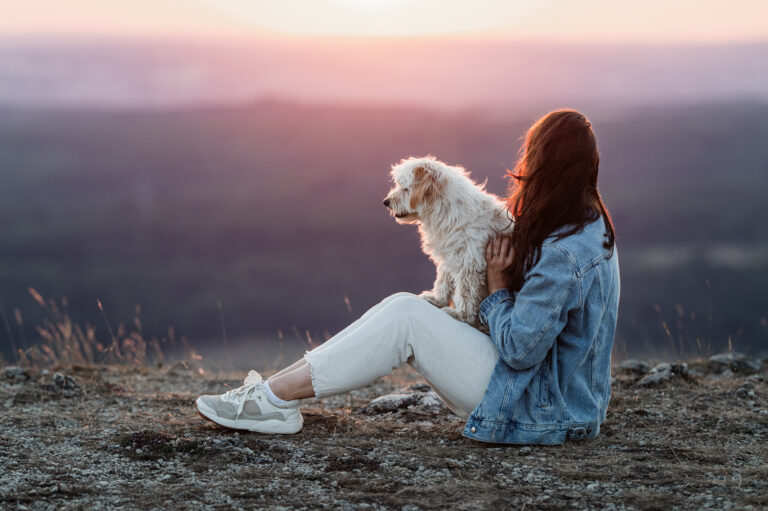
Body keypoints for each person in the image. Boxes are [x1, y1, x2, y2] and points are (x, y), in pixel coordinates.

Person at [195, 109, 620, 445]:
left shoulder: (566, 252)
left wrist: (498, 286)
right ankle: (271, 393)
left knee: (406, 316)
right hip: (557, 398)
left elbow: (520, 349)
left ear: (545, 165)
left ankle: (270, 400)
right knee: (406, 307)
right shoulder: (588, 224)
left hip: (535, 406)